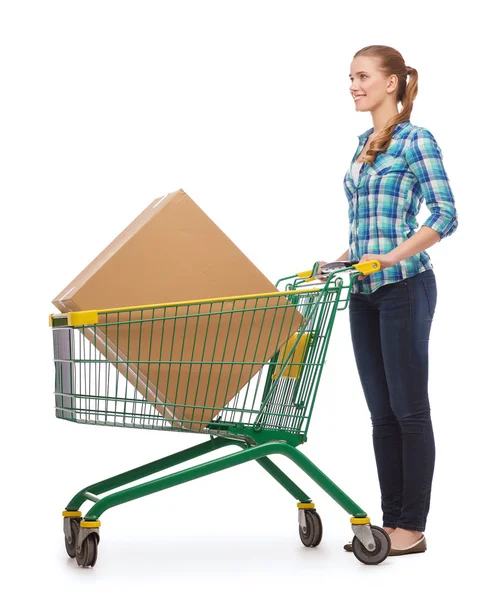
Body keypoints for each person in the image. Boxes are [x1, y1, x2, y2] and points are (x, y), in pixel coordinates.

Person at [317, 45, 458, 556]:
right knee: (381, 414)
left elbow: (444, 215)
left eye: (362, 76)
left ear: (393, 82)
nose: (353, 85)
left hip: (405, 287)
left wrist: (390, 258)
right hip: (364, 290)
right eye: (350, 77)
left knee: (409, 410)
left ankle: (411, 527)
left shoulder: (416, 141)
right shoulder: (363, 145)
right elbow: (367, 230)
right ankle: (391, 518)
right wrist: (340, 261)